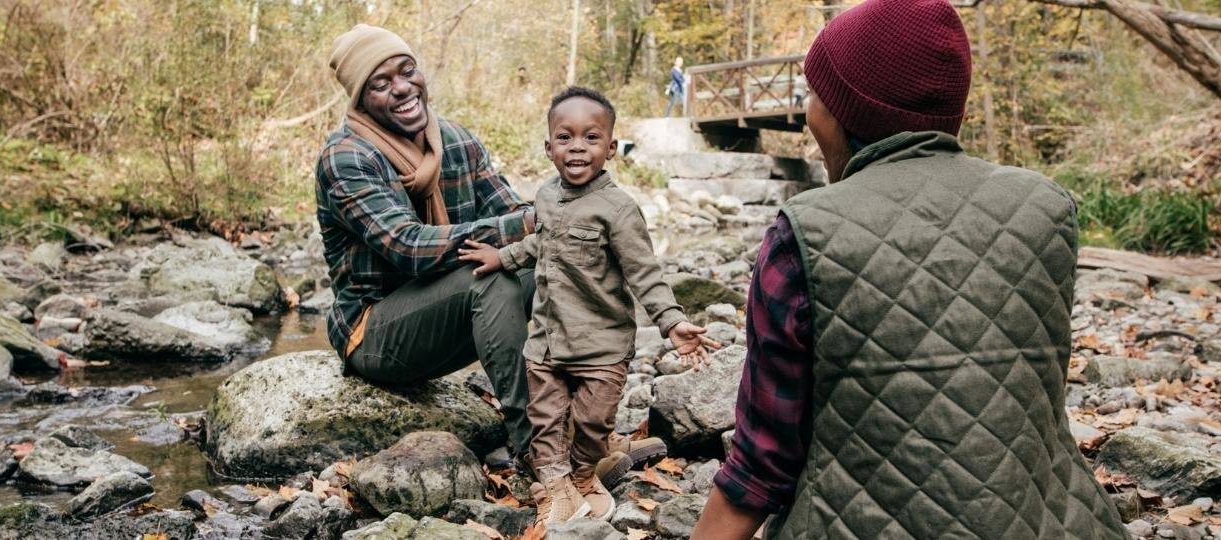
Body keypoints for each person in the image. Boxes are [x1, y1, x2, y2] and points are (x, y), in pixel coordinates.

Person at [691, 0, 1128, 538]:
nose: (808, 112)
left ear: (844, 112)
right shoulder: (1046, 209)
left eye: (815, 94)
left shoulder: (801, 233)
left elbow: (763, 464)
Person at [459, 86, 718, 524]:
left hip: (601, 347)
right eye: (565, 137)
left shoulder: (618, 210)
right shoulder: (544, 196)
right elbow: (539, 244)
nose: (577, 147)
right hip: (545, 342)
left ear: (611, 148)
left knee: (593, 422)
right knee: (546, 420)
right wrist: (501, 257)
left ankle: (583, 474)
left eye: (591, 137)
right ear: (548, 147)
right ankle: (556, 486)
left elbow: (644, 273)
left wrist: (671, 321)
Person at [315, 25, 539, 461]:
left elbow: (513, 212)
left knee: (564, 256)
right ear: (360, 99)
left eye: (407, 71)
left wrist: (566, 218)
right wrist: (529, 226)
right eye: (380, 84)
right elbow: (408, 247)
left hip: (446, 321)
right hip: (376, 334)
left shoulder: (456, 140)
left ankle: (586, 425)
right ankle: (538, 448)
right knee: (488, 275)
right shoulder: (348, 157)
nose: (402, 88)